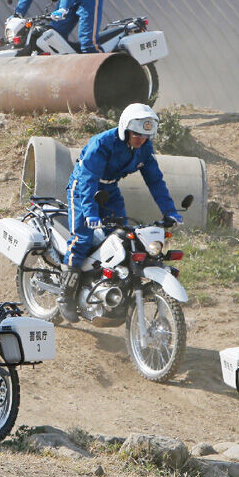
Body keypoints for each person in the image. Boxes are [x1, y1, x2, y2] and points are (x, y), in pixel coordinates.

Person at [59, 103, 184, 322]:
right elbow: (88, 181)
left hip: (110, 190)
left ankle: (109, 289)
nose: (140, 140)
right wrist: (90, 213)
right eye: (137, 135)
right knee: (83, 237)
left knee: (121, 237)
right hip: (82, 190)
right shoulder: (102, 144)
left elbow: (155, 179)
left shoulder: (144, 148)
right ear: (125, 129)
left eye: (145, 136)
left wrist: (170, 211)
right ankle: (65, 296)